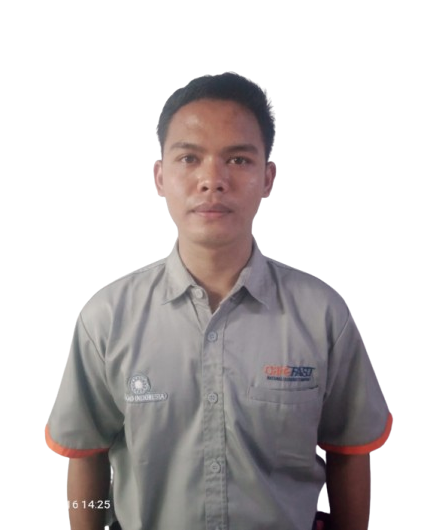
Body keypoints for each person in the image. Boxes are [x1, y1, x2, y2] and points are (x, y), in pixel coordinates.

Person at [45, 71, 393, 530]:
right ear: (159, 176)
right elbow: (87, 456)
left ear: (268, 177)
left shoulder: (322, 315)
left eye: (238, 159)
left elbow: (348, 453)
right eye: (189, 158)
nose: (212, 180)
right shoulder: (105, 318)